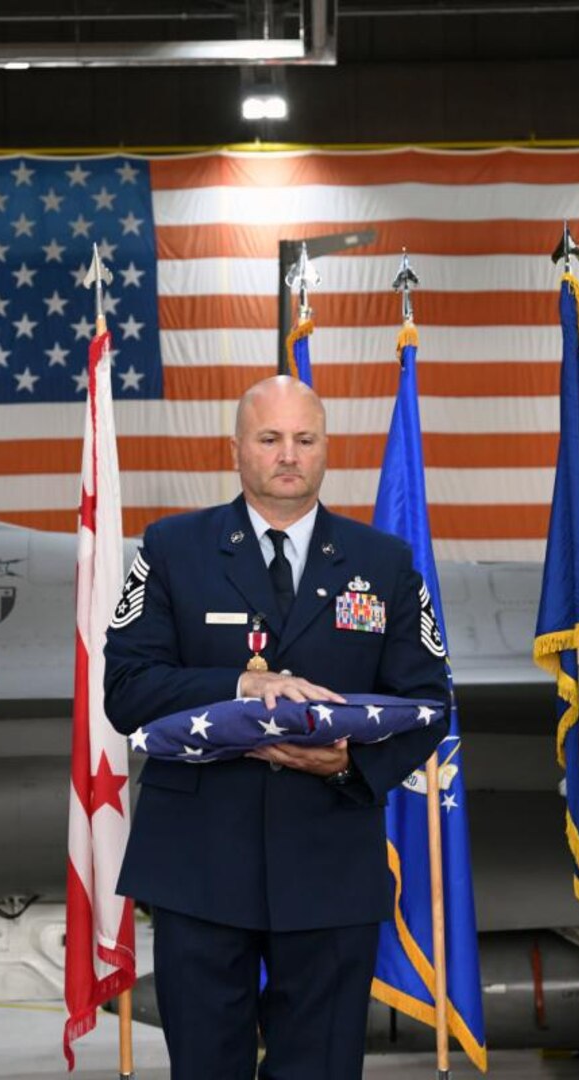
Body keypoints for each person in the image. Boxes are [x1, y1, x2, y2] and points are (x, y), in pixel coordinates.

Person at [104, 375, 451, 1080]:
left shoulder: (383, 564)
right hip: (199, 863)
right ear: (236, 449)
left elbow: (429, 702)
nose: (288, 455)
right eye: (270, 439)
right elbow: (127, 690)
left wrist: (351, 766)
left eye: (305, 439)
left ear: (326, 450)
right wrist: (241, 685)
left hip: (328, 858)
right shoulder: (173, 550)